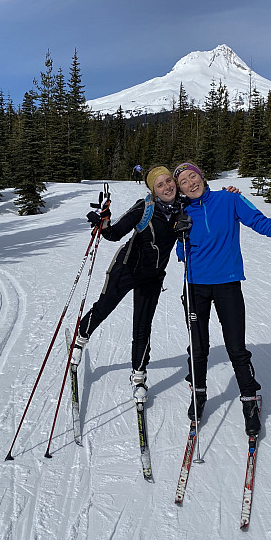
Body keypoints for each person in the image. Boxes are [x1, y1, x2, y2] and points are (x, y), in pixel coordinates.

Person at [173, 162, 271, 436]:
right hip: (194, 287)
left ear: (203, 176)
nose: (190, 183)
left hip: (227, 284)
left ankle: (249, 401)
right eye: (183, 181)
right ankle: (199, 392)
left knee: (236, 348)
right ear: (180, 188)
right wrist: (180, 236)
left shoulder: (229, 199)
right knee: (198, 347)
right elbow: (181, 256)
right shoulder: (181, 212)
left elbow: (261, 223)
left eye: (193, 176)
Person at [71, 165, 182, 402]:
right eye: (159, 184)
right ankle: (81, 336)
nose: (166, 187)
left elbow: (205, 199)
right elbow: (115, 233)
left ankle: (139, 376)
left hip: (152, 278)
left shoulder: (183, 207)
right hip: (126, 269)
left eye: (168, 181)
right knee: (103, 309)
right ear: (153, 190)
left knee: (143, 327)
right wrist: (102, 223)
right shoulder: (146, 208)